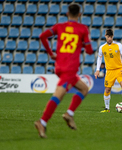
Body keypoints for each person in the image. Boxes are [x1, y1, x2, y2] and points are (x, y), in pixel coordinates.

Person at [34, 3, 93, 138]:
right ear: (79, 14)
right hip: (70, 68)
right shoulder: (82, 29)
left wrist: (51, 54)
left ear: (67, 14)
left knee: (84, 88)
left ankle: (69, 114)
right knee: (58, 95)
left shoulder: (59, 27)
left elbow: (42, 36)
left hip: (60, 66)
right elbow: (89, 51)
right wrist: (84, 43)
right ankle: (42, 122)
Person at [94, 29, 122, 113]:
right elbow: (99, 58)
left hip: (119, 70)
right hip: (109, 71)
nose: (109, 38)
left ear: (113, 36)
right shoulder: (102, 47)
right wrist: (97, 70)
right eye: (108, 37)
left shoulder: (118, 45)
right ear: (105, 36)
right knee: (107, 90)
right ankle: (107, 108)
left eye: (111, 37)